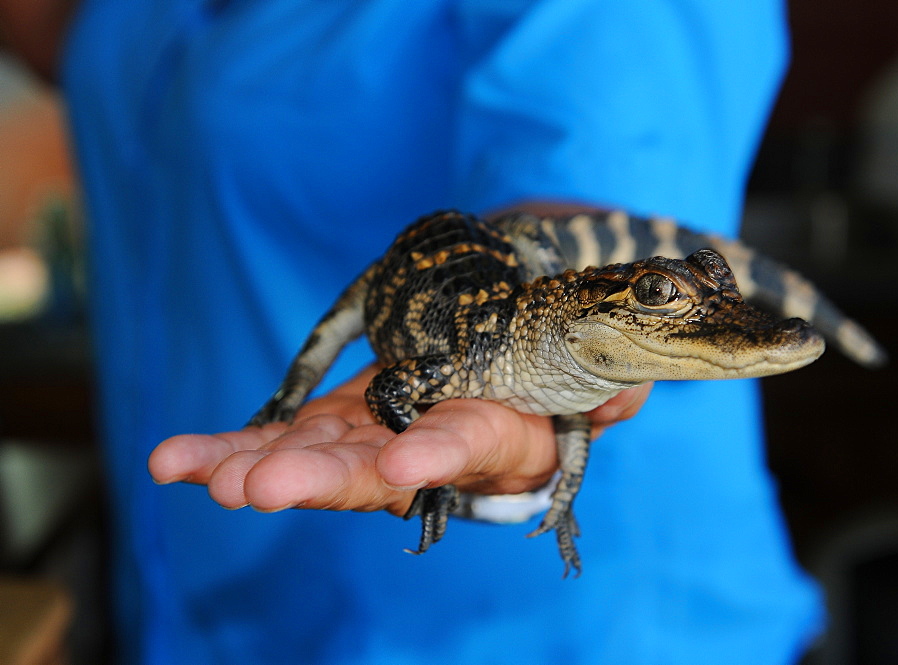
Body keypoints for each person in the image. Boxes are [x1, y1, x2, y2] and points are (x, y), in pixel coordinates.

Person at [2, 1, 824, 662]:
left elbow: (591, 158)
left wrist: (532, 382)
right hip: (196, 605)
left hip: (526, 631)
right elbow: (84, 41)